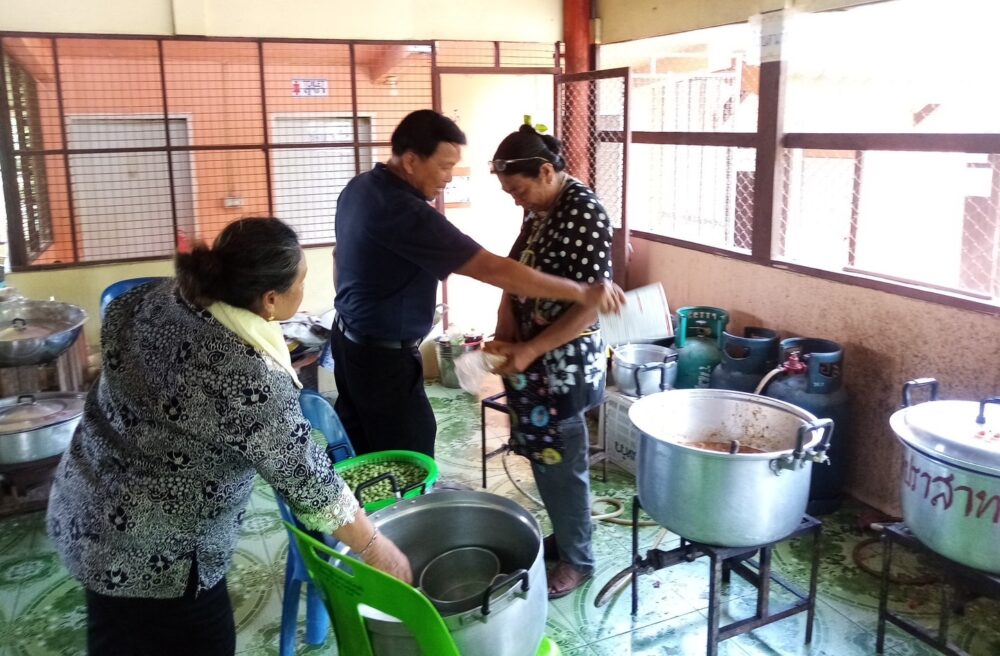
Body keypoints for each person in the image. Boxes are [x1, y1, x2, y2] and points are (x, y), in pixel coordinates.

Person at [47, 217, 411, 656]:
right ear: (270, 300)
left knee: (116, 636)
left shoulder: (149, 297)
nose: (304, 289)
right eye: (301, 282)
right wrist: (375, 546)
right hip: (153, 556)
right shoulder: (246, 375)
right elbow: (309, 481)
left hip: (83, 501)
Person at [332, 109, 624, 459]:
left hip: (349, 340)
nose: (449, 178)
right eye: (444, 167)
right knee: (408, 458)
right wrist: (582, 292)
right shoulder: (406, 212)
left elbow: (338, 258)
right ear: (410, 161)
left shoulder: (361, 187)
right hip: (381, 359)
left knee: (364, 450)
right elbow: (493, 269)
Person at [484, 123, 611, 599]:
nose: (517, 200)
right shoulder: (541, 209)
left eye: (519, 190)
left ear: (545, 171)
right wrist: (505, 329)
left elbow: (591, 305)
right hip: (533, 364)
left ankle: (579, 559)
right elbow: (514, 274)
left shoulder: (585, 213)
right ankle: (568, 533)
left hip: (563, 367)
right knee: (545, 456)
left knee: (563, 458)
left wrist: (531, 348)